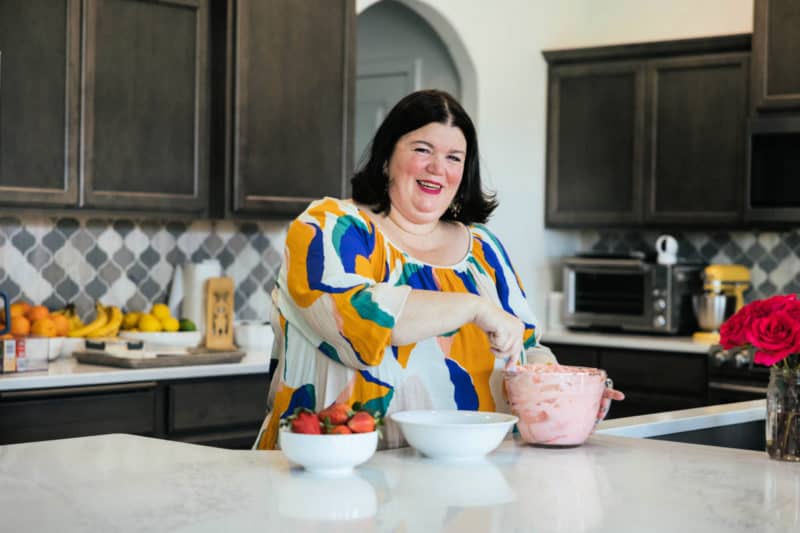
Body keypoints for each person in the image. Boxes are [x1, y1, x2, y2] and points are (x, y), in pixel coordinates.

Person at [255, 89, 622, 449]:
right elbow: (356, 324)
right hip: (333, 482)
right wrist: (473, 307)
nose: (437, 169)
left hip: (467, 483)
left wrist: (562, 393)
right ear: (386, 158)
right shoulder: (329, 227)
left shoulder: (484, 250)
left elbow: (525, 350)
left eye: (454, 157)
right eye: (422, 150)